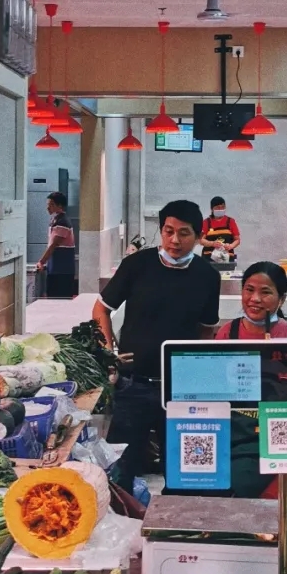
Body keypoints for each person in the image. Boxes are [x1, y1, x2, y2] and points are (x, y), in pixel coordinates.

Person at [93, 199, 222, 493]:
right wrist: (109, 351)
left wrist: (198, 374)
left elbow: (206, 331)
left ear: (199, 236)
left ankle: (177, 531)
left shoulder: (207, 276)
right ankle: (120, 530)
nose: (175, 240)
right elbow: (101, 309)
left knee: (185, 472)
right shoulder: (137, 265)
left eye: (184, 233)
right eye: (168, 231)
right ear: (162, 231)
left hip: (181, 390)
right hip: (133, 384)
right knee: (119, 472)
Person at [216, 261, 287, 393]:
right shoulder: (227, 333)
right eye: (249, 290)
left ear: (281, 299)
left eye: (265, 292)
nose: (255, 298)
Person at [35, 191, 77, 298]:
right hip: (56, 268)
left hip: (62, 270)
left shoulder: (62, 222)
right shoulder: (56, 220)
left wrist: (41, 262)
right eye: (48, 204)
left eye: (51, 204)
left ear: (60, 206)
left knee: (58, 299)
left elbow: (53, 245)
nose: (48, 207)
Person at [198, 196, 241, 261]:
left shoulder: (231, 221)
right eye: (217, 207)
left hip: (227, 257)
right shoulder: (206, 222)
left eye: (223, 207)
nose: (220, 209)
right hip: (209, 258)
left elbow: (237, 240)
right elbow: (201, 240)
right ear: (212, 209)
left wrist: (230, 246)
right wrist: (212, 243)